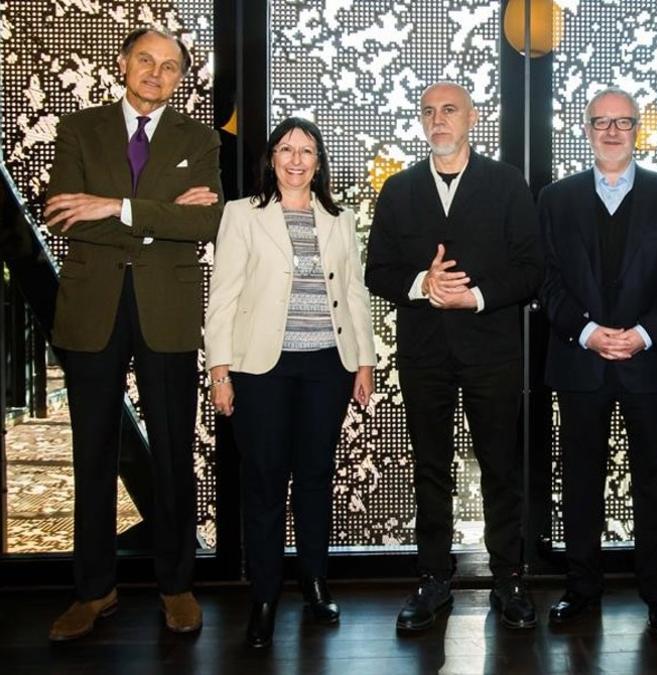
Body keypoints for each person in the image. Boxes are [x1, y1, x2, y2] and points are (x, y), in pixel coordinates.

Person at [42, 27, 222, 641]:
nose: (155, 73)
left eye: (170, 67)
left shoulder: (198, 138)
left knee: (173, 451)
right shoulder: (79, 129)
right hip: (93, 311)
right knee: (92, 454)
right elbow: (61, 213)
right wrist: (156, 219)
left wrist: (113, 207)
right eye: (146, 60)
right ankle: (94, 591)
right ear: (123, 64)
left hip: (165, 313)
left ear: (180, 79)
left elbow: (205, 220)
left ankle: (177, 586)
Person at [365, 82, 543, 632]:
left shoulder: (508, 184)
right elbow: (377, 272)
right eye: (428, 112)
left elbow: (532, 269)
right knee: (431, 469)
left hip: (492, 351)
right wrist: (422, 283)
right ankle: (433, 580)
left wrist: (477, 295)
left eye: (449, 110)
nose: (437, 120)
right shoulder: (398, 189)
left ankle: (508, 580)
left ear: (473, 117)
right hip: (424, 355)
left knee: (500, 469)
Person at [204, 117, 376, 647]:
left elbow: (354, 291)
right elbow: (224, 294)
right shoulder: (242, 215)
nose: (296, 159)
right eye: (286, 149)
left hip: (327, 365)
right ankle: (264, 596)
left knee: (316, 474)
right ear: (271, 159)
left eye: (307, 150)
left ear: (318, 162)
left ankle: (315, 581)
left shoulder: (339, 218)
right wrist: (219, 368)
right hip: (262, 368)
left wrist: (365, 361)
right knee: (263, 479)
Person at [538, 88, 657, 634]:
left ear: (637, 130)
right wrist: (588, 333)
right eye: (600, 122)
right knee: (580, 480)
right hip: (581, 362)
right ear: (585, 129)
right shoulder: (554, 199)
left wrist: (645, 334)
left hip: (649, 364)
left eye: (622, 122)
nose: (610, 132)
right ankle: (581, 588)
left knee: (656, 481)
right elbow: (546, 281)